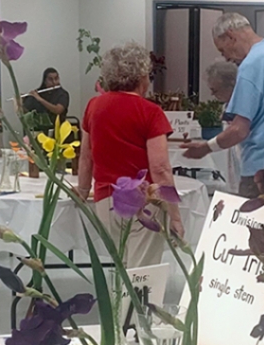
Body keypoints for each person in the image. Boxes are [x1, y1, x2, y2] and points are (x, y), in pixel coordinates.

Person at [182, 13, 264, 210]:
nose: (225, 57)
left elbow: (238, 130)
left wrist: (206, 148)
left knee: (257, 235)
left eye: (222, 49)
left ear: (230, 36)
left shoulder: (252, 64)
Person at [75, 43, 184, 267]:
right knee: (142, 275)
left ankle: (120, 303)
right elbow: (161, 169)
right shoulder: (151, 112)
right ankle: (137, 304)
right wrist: (175, 217)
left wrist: (83, 190)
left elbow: (86, 157)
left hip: (106, 200)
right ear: (142, 77)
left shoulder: (94, 107)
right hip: (144, 202)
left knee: (122, 269)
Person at [204, 60, 242, 187]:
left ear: (230, 86)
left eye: (215, 90)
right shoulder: (226, 105)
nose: (212, 94)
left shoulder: (245, 103)